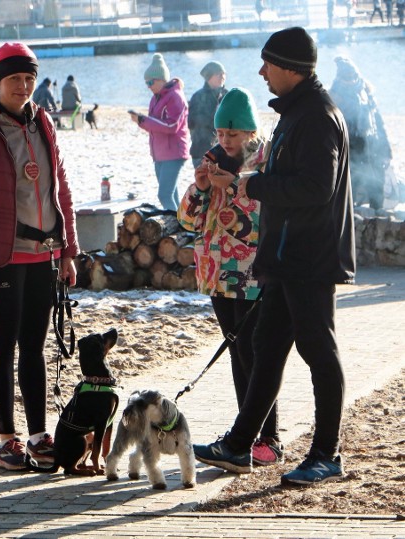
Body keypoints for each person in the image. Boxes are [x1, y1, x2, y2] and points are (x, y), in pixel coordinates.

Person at [193, 27, 355, 487]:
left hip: (308, 257)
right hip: (286, 257)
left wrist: (252, 185)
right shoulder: (297, 113)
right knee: (267, 349)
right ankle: (240, 444)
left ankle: (327, 453)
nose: (261, 72)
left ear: (289, 67)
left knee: (318, 350)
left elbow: (315, 188)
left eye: (267, 64)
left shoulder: (318, 117)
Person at [0, 42, 79, 472]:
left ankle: (38, 434)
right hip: (2, 259)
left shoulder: (43, 121)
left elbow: (60, 188)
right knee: (1, 348)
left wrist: (68, 250)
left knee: (35, 347)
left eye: (28, 78)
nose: (23, 86)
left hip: (43, 255)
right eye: (14, 79)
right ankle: (5, 439)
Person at [177, 88, 283, 468]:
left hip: (254, 273)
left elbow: (263, 214)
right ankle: (246, 433)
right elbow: (186, 220)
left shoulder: (265, 163)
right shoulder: (210, 162)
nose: (225, 141)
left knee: (259, 353)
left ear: (250, 133)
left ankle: (269, 437)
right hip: (218, 274)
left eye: (233, 135)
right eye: (221, 134)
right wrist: (202, 188)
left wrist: (231, 188)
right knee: (238, 353)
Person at [129, 53, 191, 211]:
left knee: (164, 195)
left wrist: (142, 120)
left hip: (174, 153)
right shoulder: (155, 98)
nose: (148, 86)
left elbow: (172, 126)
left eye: (151, 82)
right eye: (146, 83)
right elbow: (155, 125)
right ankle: (180, 229)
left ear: (162, 79)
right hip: (160, 154)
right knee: (172, 195)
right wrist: (141, 121)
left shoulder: (175, 96)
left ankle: (175, 226)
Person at [329, 57, 392, 210]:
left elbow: (379, 123)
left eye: (353, 77)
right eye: (347, 78)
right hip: (350, 151)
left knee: (377, 187)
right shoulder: (334, 97)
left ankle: (377, 217)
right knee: (349, 189)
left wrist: (387, 151)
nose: (351, 81)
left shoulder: (366, 93)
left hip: (372, 148)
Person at [188, 61, 228, 164]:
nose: (223, 76)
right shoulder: (198, 96)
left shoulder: (227, 95)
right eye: (219, 74)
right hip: (201, 150)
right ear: (209, 76)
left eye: (224, 74)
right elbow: (191, 122)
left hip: (224, 151)